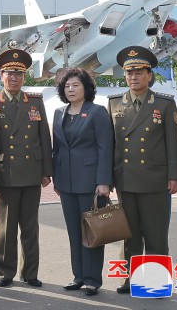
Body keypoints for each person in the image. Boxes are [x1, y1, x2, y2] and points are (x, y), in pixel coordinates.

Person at [107, 46, 177, 294]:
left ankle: (157, 282)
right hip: (125, 180)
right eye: (129, 73)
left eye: (139, 72)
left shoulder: (164, 104)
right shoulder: (115, 103)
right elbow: (111, 145)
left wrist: (174, 176)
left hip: (155, 180)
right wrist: (108, 178)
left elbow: (173, 143)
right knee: (130, 233)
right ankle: (131, 279)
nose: (133, 77)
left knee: (156, 234)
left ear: (150, 75)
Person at [0, 49, 51, 288]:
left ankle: (30, 272)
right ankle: (4, 271)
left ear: (25, 77)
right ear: (1, 76)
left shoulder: (34, 102)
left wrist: (46, 171)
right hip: (5, 174)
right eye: (9, 73)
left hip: (31, 173)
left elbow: (44, 138)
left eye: (19, 74)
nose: (14, 78)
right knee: (6, 227)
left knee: (30, 227)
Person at [51, 67, 113, 296]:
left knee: (93, 231)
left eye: (75, 85)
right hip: (66, 183)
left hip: (91, 184)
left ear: (86, 88)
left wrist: (104, 181)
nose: (71, 89)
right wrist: (56, 178)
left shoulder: (96, 112)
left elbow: (105, 148)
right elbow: (56, 149)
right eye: (67, 86)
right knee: (74, 232)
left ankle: (92, 279)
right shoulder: (59, 113)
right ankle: (78, 275)